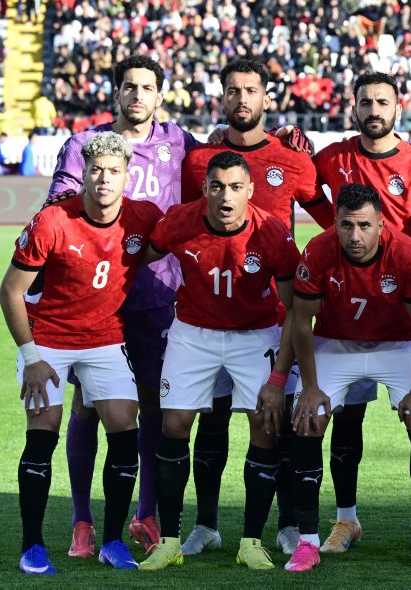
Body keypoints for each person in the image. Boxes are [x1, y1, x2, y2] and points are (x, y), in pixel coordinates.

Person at [179, 59, 332, 558]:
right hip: (211, 315)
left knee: (273, 421)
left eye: (250, 90)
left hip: (272, 319)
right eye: (232, 90)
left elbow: (331, 222)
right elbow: (187, 221)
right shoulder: (200, 162)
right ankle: (205, 524)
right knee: (211, 421)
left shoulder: (293, 159)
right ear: (221, 97)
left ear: (267, 98)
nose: (241, 98)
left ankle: (286, 524)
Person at [49, 54, 199, 558]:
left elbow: (225, 161)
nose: (138, 95)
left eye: (147, 87)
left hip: (157, 296)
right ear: (116, 93)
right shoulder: (83, 146)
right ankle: (82, 520)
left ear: (160, 95)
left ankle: (147, 513)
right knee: (89, 405)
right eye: (129, 86)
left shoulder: (179, 142)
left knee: (153, 403)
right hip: (94, 301)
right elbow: (60, 206)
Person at [0, 132, 162, 574]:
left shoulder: (144, 217)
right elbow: (10, 291)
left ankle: (112, 541)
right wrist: (31, 357)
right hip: (48, 339)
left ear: (127, 176)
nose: (105, 178)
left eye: (114, 171)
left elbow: (181, 234)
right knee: (43, 431)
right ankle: (32, 547)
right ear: (84, 174)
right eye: (97, 170)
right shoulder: (52, 220)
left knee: (124, 428)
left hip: (105, 338)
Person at [138, 151, 301, 571]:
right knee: (175, 424)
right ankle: (169, 542)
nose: (225, 196)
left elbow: (296, 310)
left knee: (265, 425)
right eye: (217, 187)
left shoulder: (272, 232)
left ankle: (251, 542)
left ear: (250, 191)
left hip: (255, 334)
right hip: (193, 333)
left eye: (234, 187)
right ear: (205, 189)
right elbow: (139, 256)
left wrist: (279, 376)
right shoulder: (179, 221)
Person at [310, 70, 411, 555]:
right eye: (365, 102)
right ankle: (346, 520)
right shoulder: (332, 158)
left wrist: (398, 275)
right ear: (354, 107)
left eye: (382, 102)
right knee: (344, 419)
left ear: (397, 108)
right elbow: (300, 187)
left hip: (404, 315)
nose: (374, 110)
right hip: (343, 317)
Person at [285, 183, 411, 572]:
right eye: (346, 225)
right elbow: (302, 321)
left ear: (381, 224)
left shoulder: (406, 252)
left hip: (397, 343)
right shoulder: (318, 251)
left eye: (364, 226)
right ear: (335, 222)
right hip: (337, 342)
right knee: (306, 420)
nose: (355, 236)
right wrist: (310, 387)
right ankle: (307, 542)